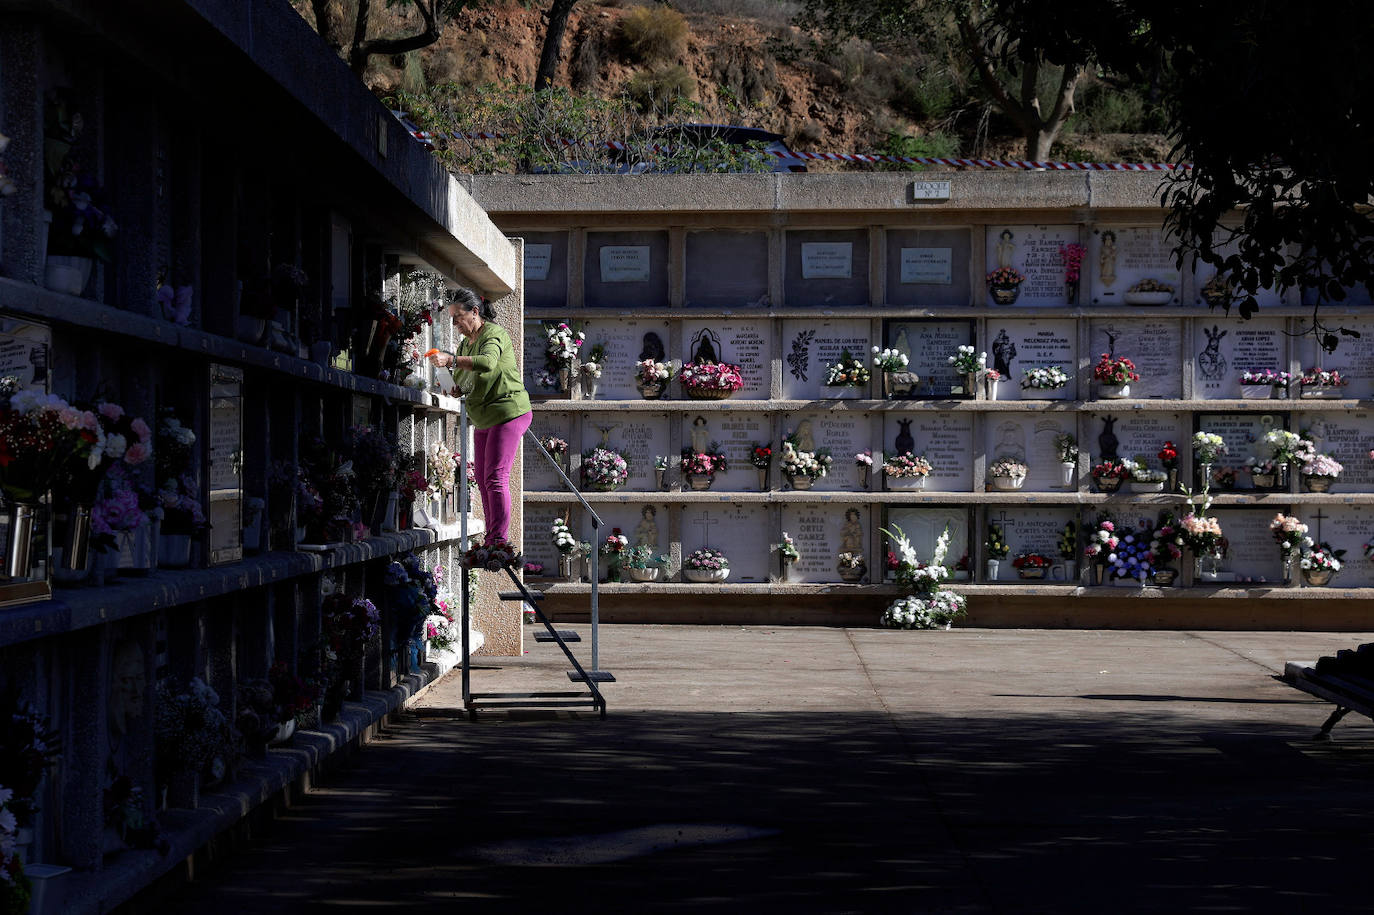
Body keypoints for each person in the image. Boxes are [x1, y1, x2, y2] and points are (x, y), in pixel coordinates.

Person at [427, 288, 531, 545]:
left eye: (457, 317)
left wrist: (451, 360)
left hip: (507, 412)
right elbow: (466, 379)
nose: (454, 324)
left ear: (475, 312)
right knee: (484, 481)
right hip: (484, 418)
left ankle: (498, 540)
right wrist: (454, 386)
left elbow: (487, 363)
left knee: (496, 478)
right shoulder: (465, 344)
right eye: (451, 318)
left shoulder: (494, 334)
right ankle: (492, 537)